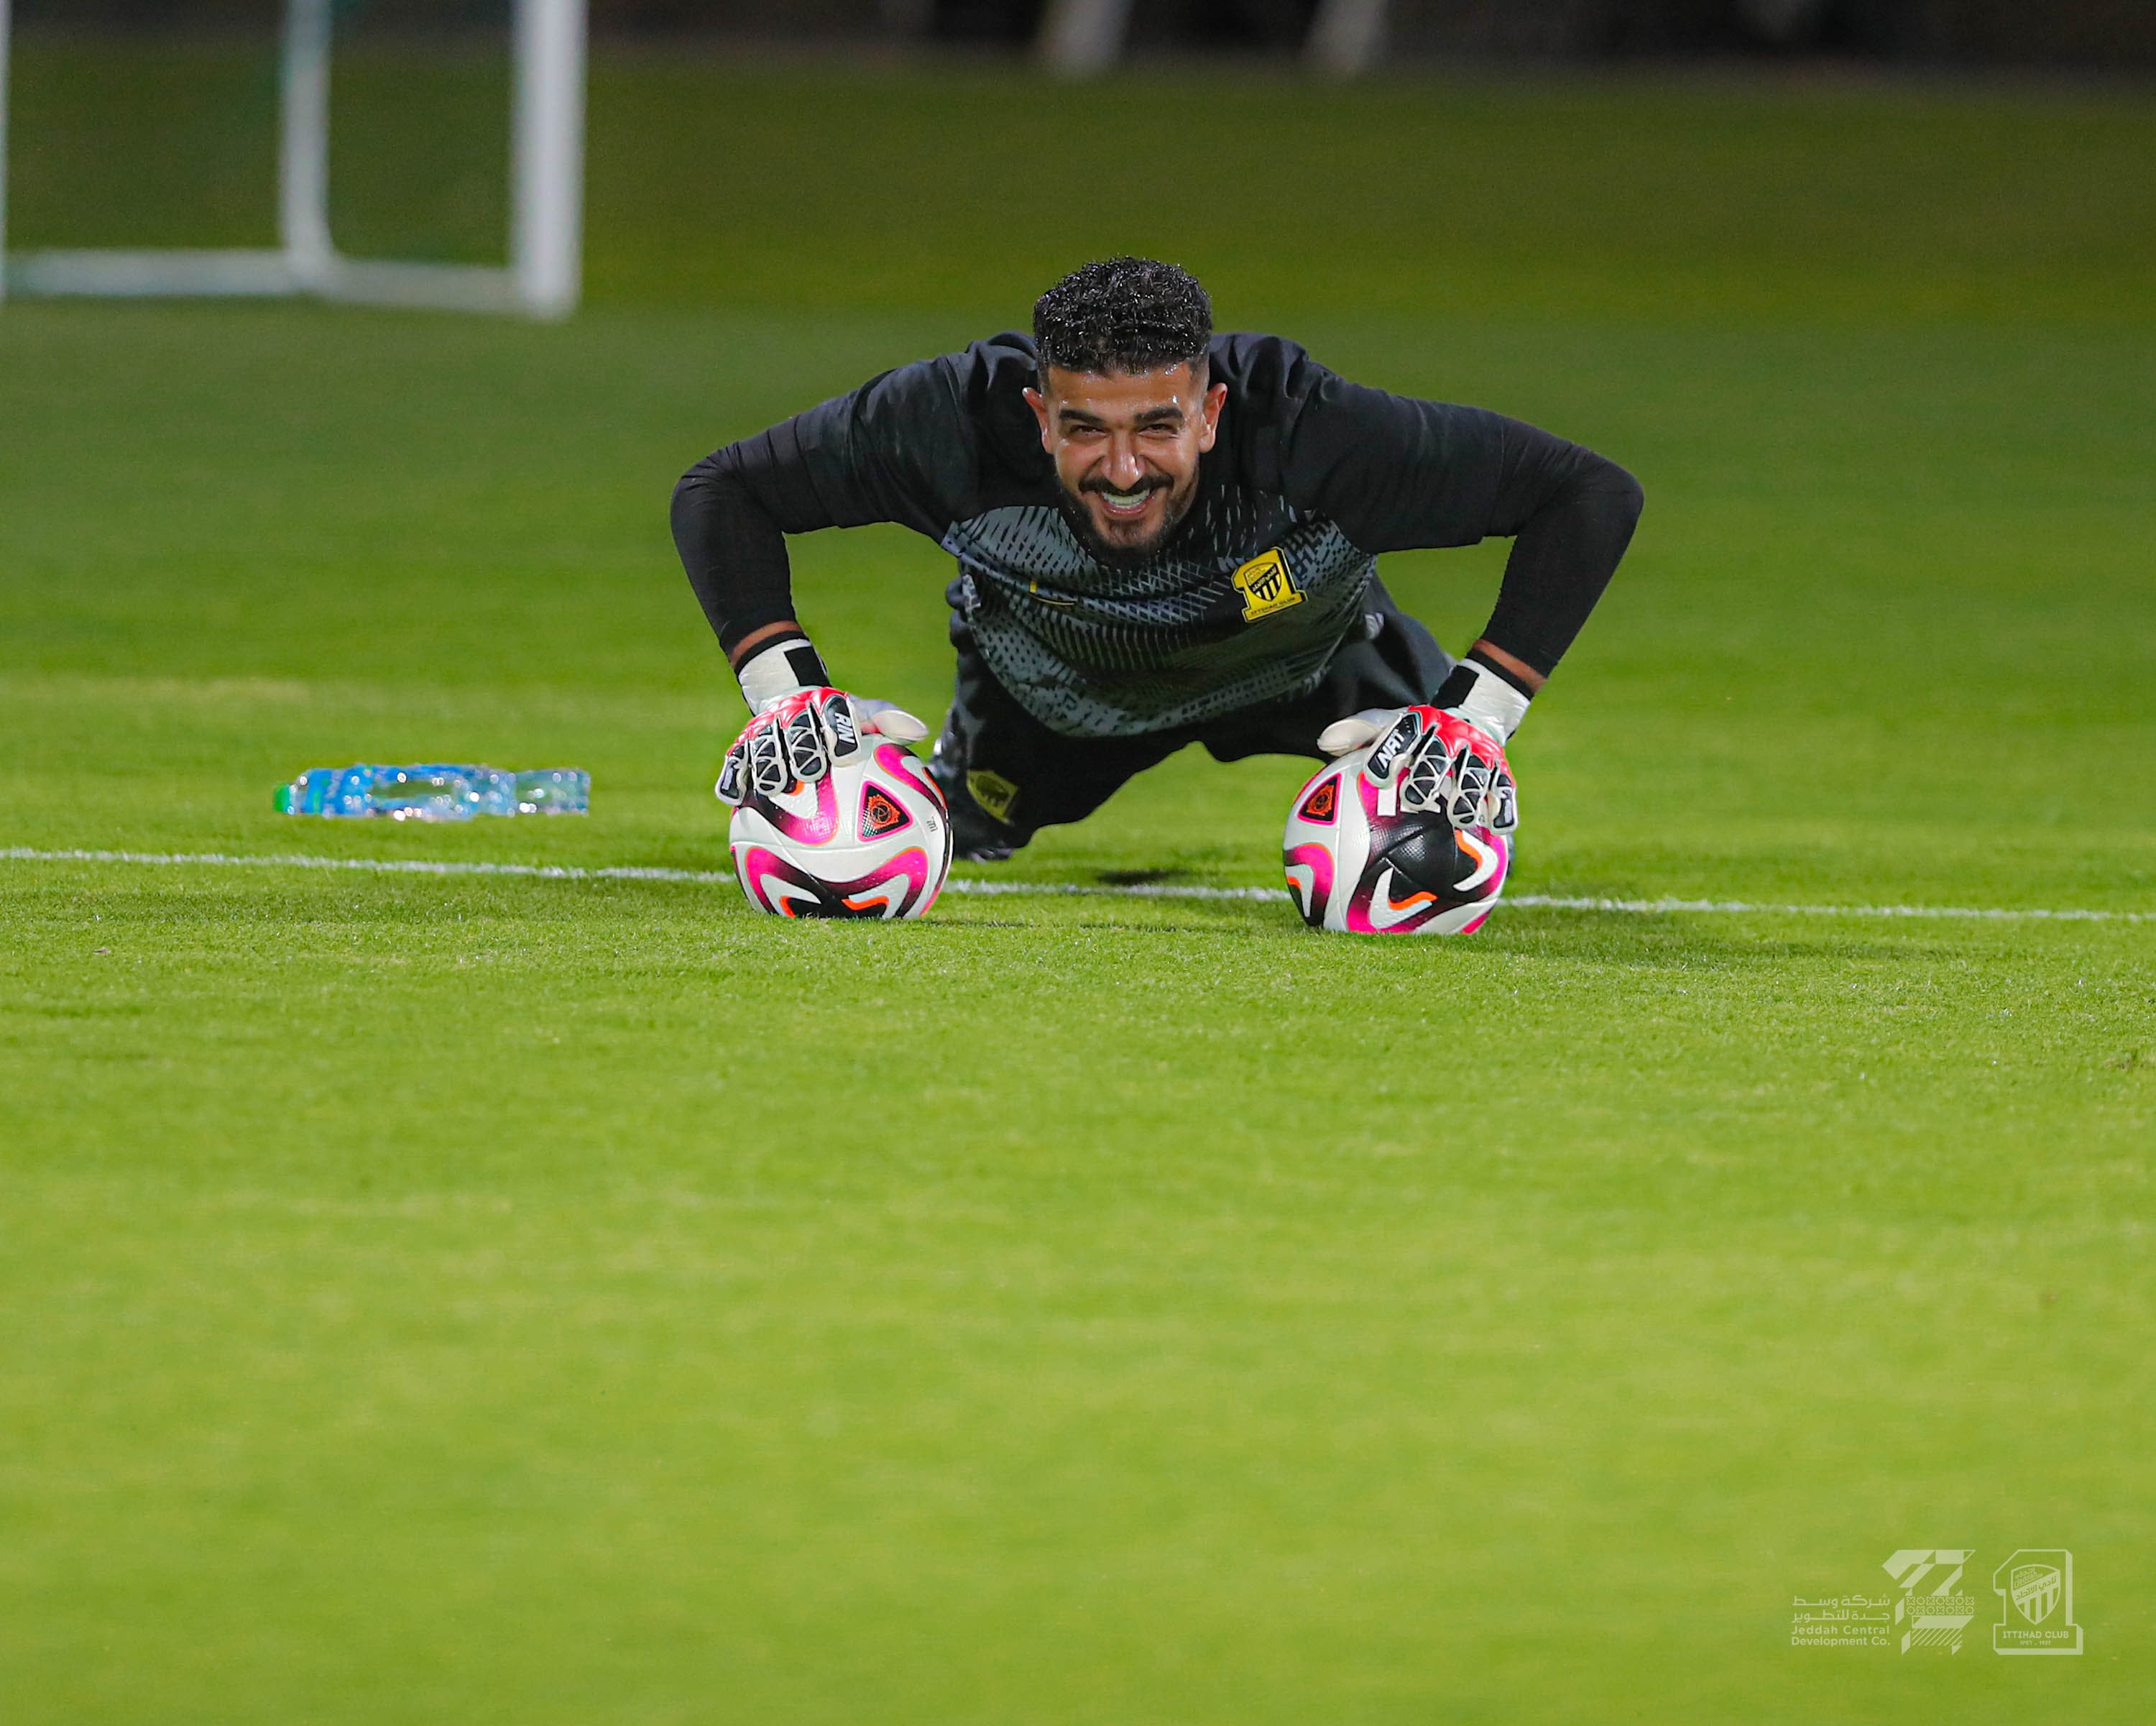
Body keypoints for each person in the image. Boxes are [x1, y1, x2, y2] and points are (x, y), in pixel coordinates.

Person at [672, 257, 1641, 864]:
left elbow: (1589, 494)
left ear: (1214, 412)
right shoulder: (946, 427)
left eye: (1159, 427)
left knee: (1435, 850)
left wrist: (1483, 710)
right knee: (888, 851)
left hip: (1311, 663)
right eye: (1084, 428)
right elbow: (722, 490)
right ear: (1037, 413)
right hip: (1053, 696)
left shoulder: (1315, 432)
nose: (1124, 469)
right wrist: (786, 693)